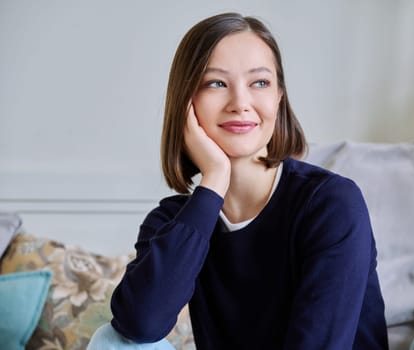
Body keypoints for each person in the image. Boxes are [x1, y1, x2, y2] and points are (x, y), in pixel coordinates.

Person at [88, 12, 388, 350]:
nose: (240, 104)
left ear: (279, 97)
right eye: (215, 83)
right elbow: (139, 324)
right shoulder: (174, 221)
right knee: (115, 342)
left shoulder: (331, 203)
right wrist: (214, 180)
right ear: (187, 103)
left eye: (259, 83)